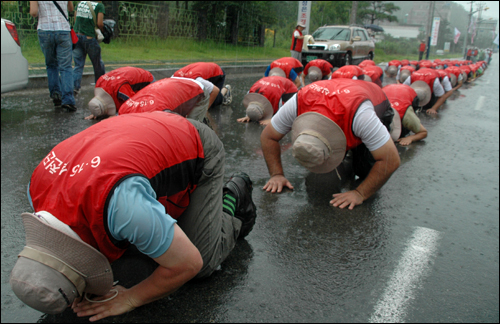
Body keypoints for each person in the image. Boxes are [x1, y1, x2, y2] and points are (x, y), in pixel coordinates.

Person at [12, 111, 257, 320]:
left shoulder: (122, 206)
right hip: (145, 128)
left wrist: (130, 299)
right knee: (142, 242)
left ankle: (234, 196)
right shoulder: (36, 188)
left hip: (196, 143)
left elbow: (188, 263)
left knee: (203, 261)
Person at [260, 79, 400, 210]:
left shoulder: (361, 116)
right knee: (321, 181)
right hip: (339, 101)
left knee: (364, 170)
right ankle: (351, 148)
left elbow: (390, 160)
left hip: (374, 100)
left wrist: (360, 193)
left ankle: (370, 142)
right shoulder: (299, 102)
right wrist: (276, 174)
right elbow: (268, 137)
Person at [29, 1, 76, 112]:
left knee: (51, 65)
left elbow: (34, 12)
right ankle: (68, 100)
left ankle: (56, 95)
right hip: (63, 30)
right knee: (66, 67)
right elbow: (70, 8)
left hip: (45, 30)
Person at [119, 77, 219, 123]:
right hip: (174, 84)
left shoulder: (161, 114)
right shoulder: (123, 110)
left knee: (190, 129)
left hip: (197, 89)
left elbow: (177, 128)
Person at [86, 67, 155, 120]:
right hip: (127, 76)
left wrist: (117, 115)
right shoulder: (100, 83)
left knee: (145, 107)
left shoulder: (120, 88)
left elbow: (134, 104)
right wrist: (96, 111)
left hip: (148, 80)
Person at [73, 1, 106, 95]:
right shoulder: (99, 6)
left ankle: (75, 87)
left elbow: (76, 20)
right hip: (89, 38)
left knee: (78, 64)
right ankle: (100, 87)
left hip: (77, 37)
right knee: (98, 64)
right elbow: (99, 23)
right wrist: (102, 30)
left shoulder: (80, 4)